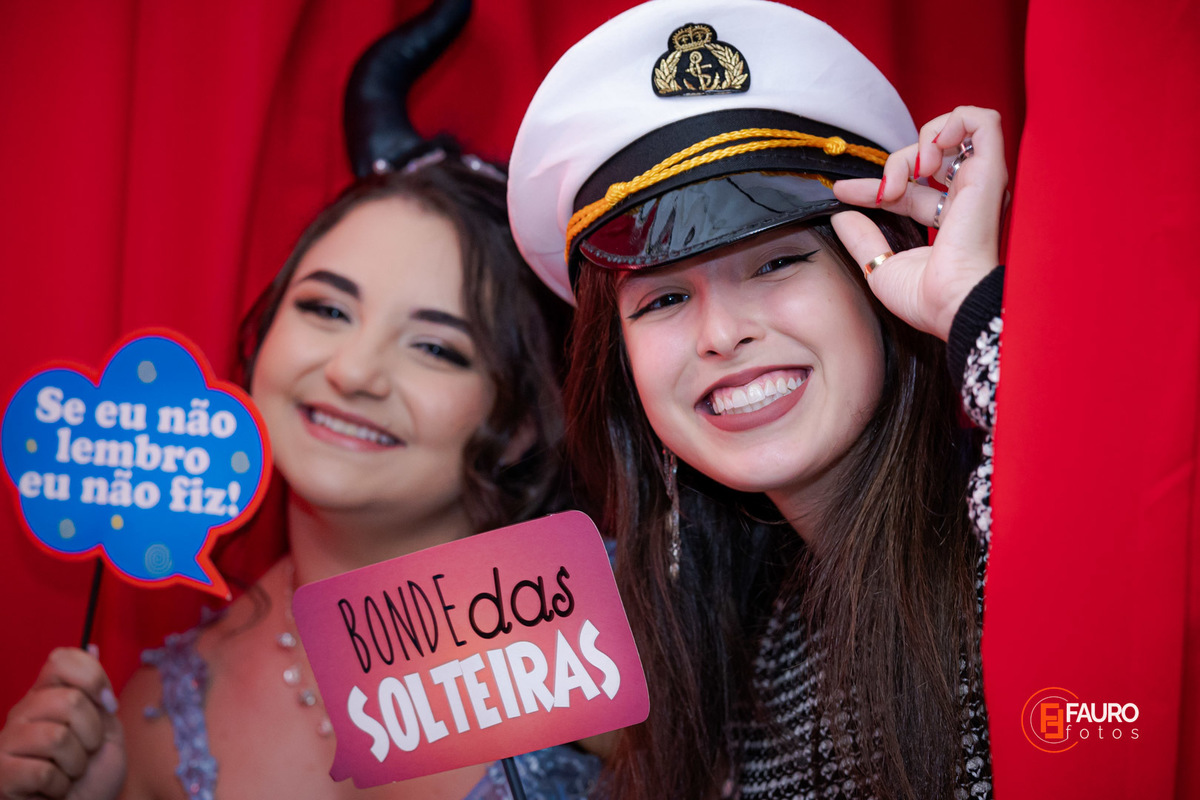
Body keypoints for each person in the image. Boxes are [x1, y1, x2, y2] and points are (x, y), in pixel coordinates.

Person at [0, 6, 601, 800]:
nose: (353, 372)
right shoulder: (157, 719)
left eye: (436, 347)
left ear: (527, 419)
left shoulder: (616, 635)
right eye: (325, 308)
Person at [507, 1, 1005, 798]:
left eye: (776, 264)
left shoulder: (1005, 540)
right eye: (664, 299)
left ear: (880, 275)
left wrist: (975, 309)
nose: (721, 334)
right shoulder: (722, 652)